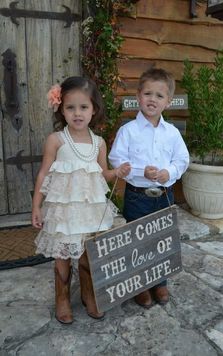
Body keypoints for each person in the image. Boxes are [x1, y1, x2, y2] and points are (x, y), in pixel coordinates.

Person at [32, 76, 131, 324]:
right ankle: (62, 297)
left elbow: (103, 173)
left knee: (88, 254)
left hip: (89, 211)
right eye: (70, 107)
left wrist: (116, 173)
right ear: (61, 109)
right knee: (63, 255)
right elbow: (44, 173)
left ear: (93, 109)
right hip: (64, 211)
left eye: (83, 107)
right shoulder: (56, 140)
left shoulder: (98, 143)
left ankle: (88, 293)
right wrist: (36, 206)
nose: (77, 113)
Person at [109, 68, 189, 308]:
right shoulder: (128, 131)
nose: (153, 99)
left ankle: (160, 282)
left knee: (161, 239)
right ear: (138, 96)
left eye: (159, 95)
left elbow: (182, 160)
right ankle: (140, 284)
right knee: (138, 242)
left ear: (168, 102)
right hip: (137, 197)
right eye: (148, 93)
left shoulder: (172, 134)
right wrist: (138, 171)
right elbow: (116, 159)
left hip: (164, 195)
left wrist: (169, 173)